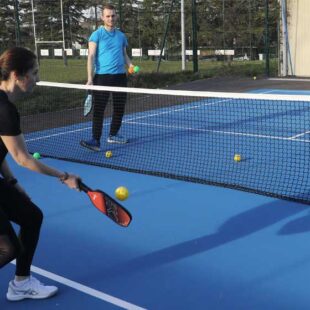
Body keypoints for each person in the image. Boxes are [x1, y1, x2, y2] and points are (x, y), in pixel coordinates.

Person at [0, 47, 81, 301]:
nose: (38, 78)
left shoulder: (4, 106)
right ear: (17, 75)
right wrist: (64, 175)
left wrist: (12, 182)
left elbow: (2, 149)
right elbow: (22, 158)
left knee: (32, 217)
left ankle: (21, 284)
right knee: (7, 248)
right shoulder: (4, 110)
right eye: (34, 73)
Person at [80, 3, 134, 152]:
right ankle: (95, 141)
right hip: (102, 78)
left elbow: (124, 54)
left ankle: (113, 134)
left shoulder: (121, 36)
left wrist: (130, 65)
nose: (111, 18)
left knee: (119, 108)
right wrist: (90, 78)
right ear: (103, 17)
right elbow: (90, 56)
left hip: (120, 77)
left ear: (116, 16)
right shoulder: (96, 35)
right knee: (99, 110)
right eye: (108, 16)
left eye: (113, 15)